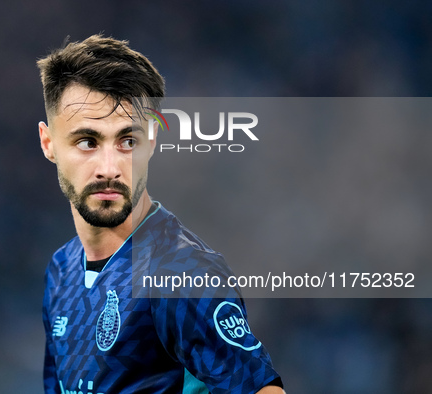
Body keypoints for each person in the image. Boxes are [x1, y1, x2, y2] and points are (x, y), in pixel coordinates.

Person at [37, 34, 284, 394]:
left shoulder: (180, 274)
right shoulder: (61, 270)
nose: (109, 167)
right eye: (87, 141)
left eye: (127, 141)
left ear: (151, 140)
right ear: (49, 143)